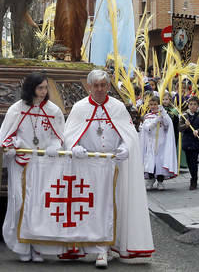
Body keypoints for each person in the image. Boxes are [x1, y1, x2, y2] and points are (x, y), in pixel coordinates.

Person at [63, 69, 154, 268]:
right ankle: (96, 248)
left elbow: (129, 135)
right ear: (89, 87)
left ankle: (110, 246)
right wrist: (73, 146)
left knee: (113, 206)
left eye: (103, 85)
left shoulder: (118, 107)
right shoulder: (79, 108)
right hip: (87, 168)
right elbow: (68, 134)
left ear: (108, 86)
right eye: (95, 85)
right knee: (93, 208)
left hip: (114, 168)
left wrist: (125, 147)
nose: (99, 89)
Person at [0, 72, 65, 262]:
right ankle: (22, 245)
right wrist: (13, 145)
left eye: (45, 88)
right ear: (31, 88)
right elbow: (6, 136)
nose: (43, 92)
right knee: (20, 202)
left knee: (40, 205)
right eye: (40, 88)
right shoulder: (16, 109)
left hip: (44, 166)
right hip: (22, 165)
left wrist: (54, 146)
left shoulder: (53, 111)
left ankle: (38, 247)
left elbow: (59, 136)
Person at [138, 95, 178, 190]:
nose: (153, 106)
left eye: (155, 104)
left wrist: (163, 115)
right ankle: (151, 180)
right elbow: (147, 128)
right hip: (151, 143)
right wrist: (156, 120)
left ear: (158, 104)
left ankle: (160, 181)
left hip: (161, 143)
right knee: (150, 162)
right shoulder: (147, 116)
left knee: (160, 162)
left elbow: (168, 125)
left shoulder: (163, 114)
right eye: (151, 104)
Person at [179, 96, 199, 190]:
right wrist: (185, 126)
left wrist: (198, 131)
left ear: (198, 105)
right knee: (189, 162)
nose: (192, 106)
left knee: (194, 161)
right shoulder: (184, 116)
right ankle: (193, 176)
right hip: (187, 142)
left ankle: (194, 179)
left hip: (196, 143)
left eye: (195, 104)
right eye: (191, 104)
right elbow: (179, 128)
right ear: (188, 105)